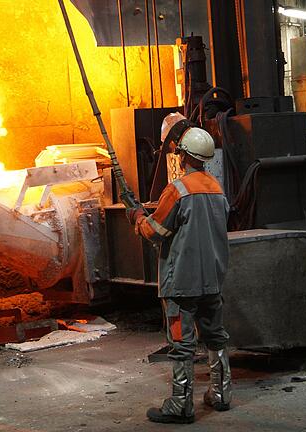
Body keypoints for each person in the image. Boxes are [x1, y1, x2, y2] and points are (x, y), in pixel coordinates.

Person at [126, 112, 232, 424]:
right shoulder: (216, 188)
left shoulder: (177, 190)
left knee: (182, 344)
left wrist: (135, 216)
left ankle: (181, 405)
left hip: (181, 282)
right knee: (216, 337)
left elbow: (154, 231)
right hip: (212, 279)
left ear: (182, 155)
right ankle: (221, 393)